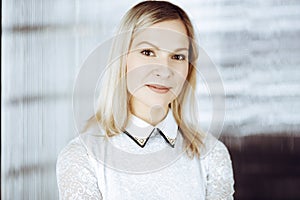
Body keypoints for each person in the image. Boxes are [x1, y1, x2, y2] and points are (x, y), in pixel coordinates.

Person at [56, 1, 235, 199]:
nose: (164, 71)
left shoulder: (212, 155)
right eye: (148, 52)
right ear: (122, 59)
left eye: (177, 57)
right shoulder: (82, 157)